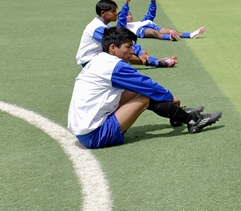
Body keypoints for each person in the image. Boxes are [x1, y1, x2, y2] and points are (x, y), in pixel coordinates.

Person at [68, 27, 221, 149]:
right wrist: (171, 97)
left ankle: (179, 115)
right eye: (128, 47)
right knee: (146, 96)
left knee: (139, 91)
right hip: (95, 135)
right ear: (113, 48)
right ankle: (193, 121)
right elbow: (147, 85)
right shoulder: (114, 66)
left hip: (83, 130)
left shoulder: (98, 60)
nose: (132, 52)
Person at [77, 0, 174, 68]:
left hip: (100, 57)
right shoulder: (97, 27)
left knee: (123, 50)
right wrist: (138, 52)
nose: (116, 13)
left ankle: (156, 61)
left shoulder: (107, 25)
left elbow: (121, 39)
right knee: (121, 50)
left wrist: (139, 49)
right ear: (103, 13)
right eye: (113, 11)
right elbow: (118, 43)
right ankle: (156, 62)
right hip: (89, 61)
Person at [119, 0, 204, 41]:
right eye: (127, 15)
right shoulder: (123, 26)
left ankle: (191, 34)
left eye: (130, 14)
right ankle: (170, 37)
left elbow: (150, 15)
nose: (129, 16)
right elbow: (122, 17)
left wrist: (153, 2)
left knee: (172, 30)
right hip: (141, 30)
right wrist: (126, 3)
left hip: (151, 25)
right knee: (154, 33)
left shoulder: (140, 22)